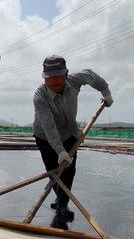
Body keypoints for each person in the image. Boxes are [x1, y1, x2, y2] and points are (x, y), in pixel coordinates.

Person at [33, 55, 113, 220]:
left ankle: (62, 203)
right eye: (50, 77)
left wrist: (105, 92)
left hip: (69, 132)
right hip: (45, 136)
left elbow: (91, 75)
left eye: (58, 76)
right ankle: (58, 195)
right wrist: (60, 151)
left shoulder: (75, 81)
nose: (55, 80)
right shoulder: (40, 97)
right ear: (44, 78)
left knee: (69, 171)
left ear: (66, 74)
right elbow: (49, 128)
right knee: (53, 170)